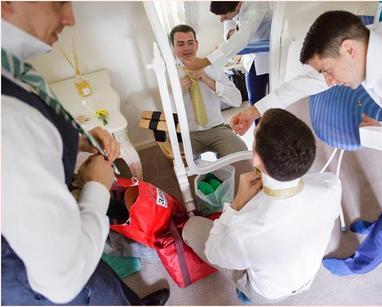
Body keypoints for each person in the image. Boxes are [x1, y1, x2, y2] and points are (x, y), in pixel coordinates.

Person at [230, 11, 382, 276]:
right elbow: (309, 81)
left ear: (348, 49)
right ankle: (376, 223)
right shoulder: (371, 40)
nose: (329, 81)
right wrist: (255, 111)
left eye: (328, 70)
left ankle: (357, 265)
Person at [1, 2, 169, 305]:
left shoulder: (12, 71)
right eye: (58, 3)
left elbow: (34, 131)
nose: (70, 18)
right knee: (90, 291)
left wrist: (74, 139)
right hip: (33, 273)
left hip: (61, 225)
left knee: (104, 280)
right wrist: (95, 186)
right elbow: (62, 281)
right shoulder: (8, 120)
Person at [182, 109, 342, 303]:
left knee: (191, 228)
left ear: (256, 159)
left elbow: (214, 252)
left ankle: (246, 291)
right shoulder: (331, 185)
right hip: (307, 276)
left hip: (266, 293)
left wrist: (237, 203)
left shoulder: (245, 226)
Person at [181, 2, 272, 118]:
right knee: (254, 101)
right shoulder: (230, 5)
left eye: (224, 16)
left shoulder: (257, 5)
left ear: (238, 6)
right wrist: (232, 33)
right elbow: (230, 32)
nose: (221, 20)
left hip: (267, 55)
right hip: (251, 58)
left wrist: (205, 61)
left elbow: (243, 36)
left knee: (269, 99)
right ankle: (259, 132)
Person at [170, 24, 247, 158]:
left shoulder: (212, 68)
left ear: (197, 44)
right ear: (173, 47)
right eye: (181, 44)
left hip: (217, 129)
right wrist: (177, 91)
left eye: (190, 43)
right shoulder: (168, 74)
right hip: (187, 134)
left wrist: (208, 81)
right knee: (182, 166)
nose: (187, 48)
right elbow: (164, 110)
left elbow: (237, 100)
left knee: (241, 157)